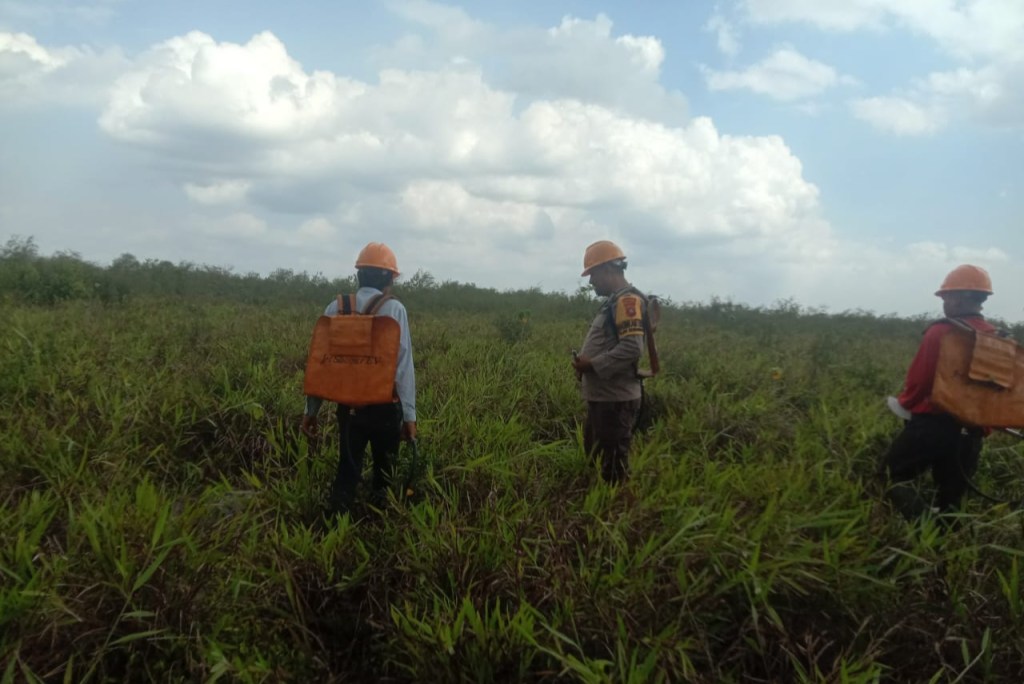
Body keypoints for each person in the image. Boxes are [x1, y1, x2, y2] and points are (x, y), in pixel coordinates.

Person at [301, 242, 417, 516]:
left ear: (359, 275)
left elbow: (321, 364)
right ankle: (379, 524)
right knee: (384, 475)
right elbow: (403, 367)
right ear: (389, 279)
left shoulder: (336, 307)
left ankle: (335, 524)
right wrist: (409, 417)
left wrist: (310, 411)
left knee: (347, 470)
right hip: (385, 408)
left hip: (348, 409)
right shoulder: (395, 310)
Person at [883, 264, 996, 524]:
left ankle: (923, 528)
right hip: (972, 433)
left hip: (932, 426)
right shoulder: (996, 337)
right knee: (952, 500)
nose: (945, 303)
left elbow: (919, 382)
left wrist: (906, 404)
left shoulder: (941, 331)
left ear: (958, 298)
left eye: (946, 297)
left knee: (893, 477)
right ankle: (945, 540)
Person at [571, 240, 647, 484]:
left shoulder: (627, 302)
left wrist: (591, 365)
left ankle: (617, 504)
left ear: (607, 269)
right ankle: (600, 500)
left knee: (613, 470)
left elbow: (632, 348)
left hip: (615, 401)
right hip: (605, 399)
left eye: (593, 274)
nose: (591, 282)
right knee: (597, 461)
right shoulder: (616, 301)